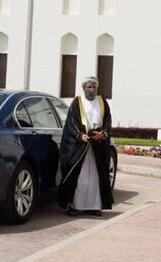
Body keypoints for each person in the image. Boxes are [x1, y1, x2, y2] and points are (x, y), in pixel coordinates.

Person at [58, 76, 113, 217]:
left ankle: (93, 206)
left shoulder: (102, 101)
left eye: (94, 86)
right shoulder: (77, 102)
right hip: (80, 146)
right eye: (89, 86)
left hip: (97, 145)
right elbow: (72, 122)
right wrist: (80, 135)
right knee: (80, 175)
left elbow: (107, 120)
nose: (92, 89)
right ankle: (75, 205)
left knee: (95, 176)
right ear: (83, 88)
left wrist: (103, 134)